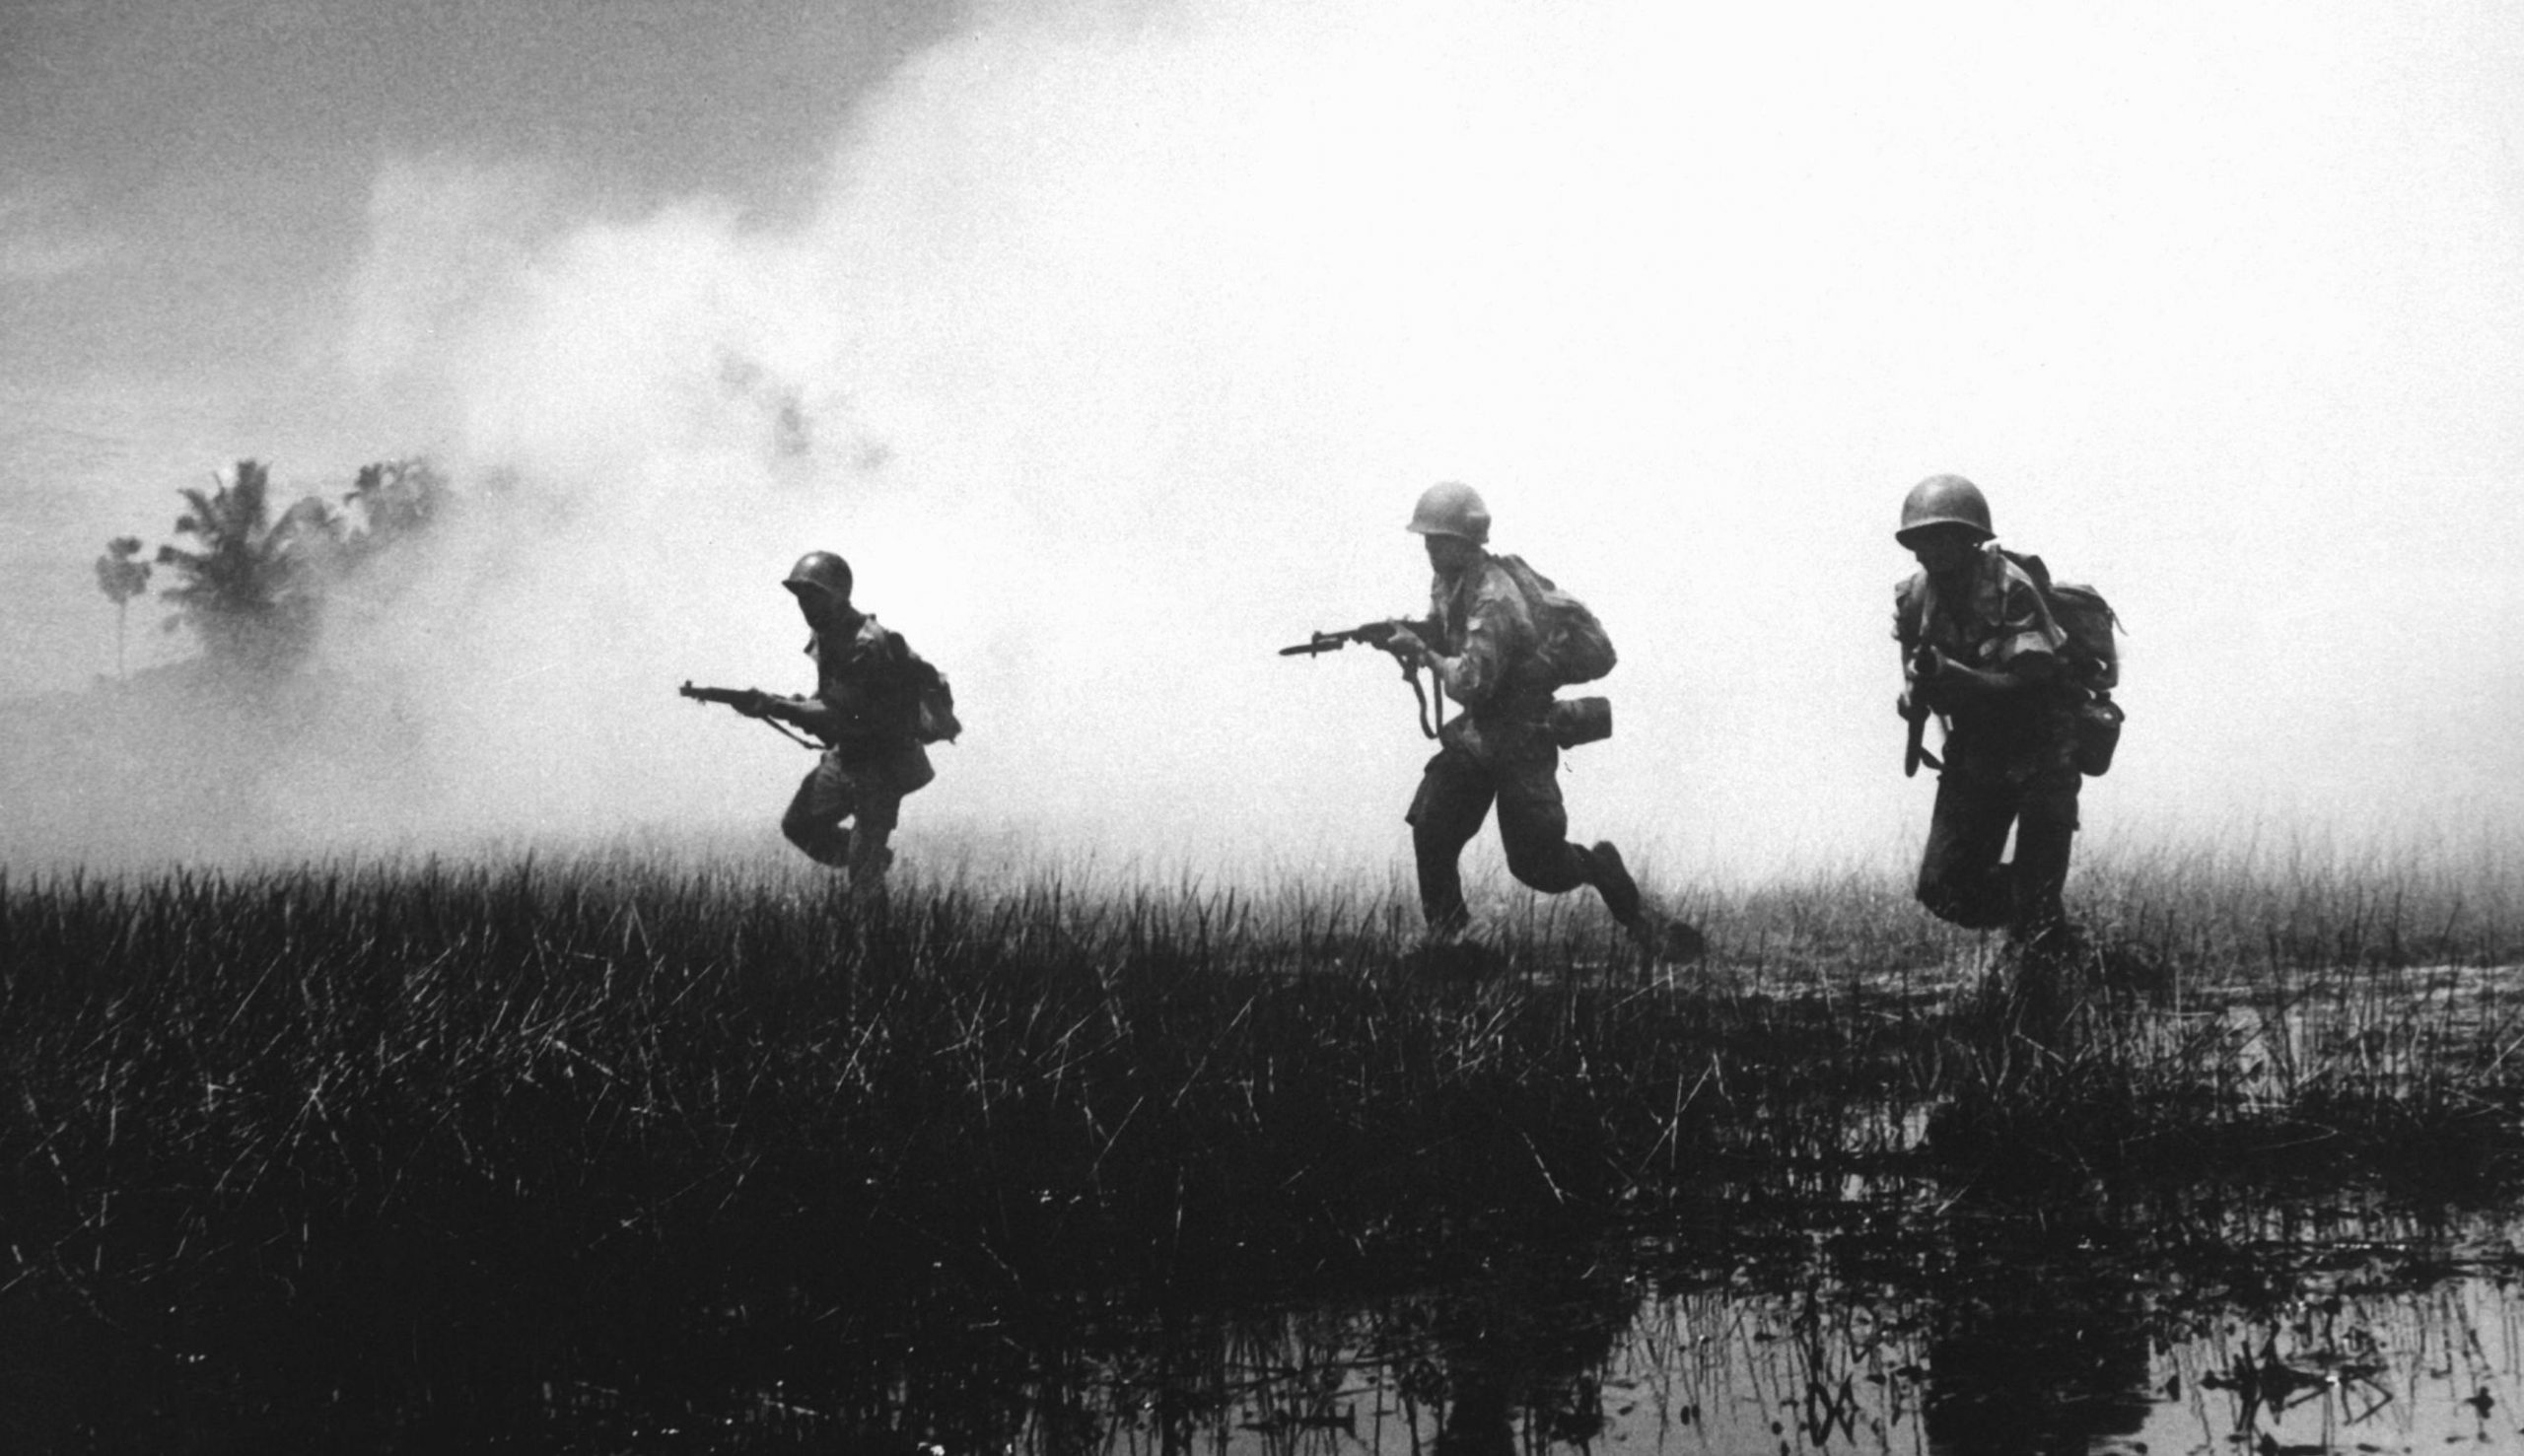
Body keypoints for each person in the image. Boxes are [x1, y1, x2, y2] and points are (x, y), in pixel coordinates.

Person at [1382, 482, 1683, 955]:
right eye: (1427, 540)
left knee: (1537, 867)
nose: (1428, 549)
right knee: (1433, 827)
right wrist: (1417, 634)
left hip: (1523, 741)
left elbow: (1471, 681)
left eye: (1437, 539)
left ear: (1464, 542)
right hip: (1479, 737)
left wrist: (1422, 652)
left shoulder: (1495, 598)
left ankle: (1602, 871)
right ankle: (1451, 941)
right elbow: (1448, 633)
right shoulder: (1449, 582)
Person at [1891, 474, 2086, 968]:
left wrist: (1965, 680)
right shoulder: (1914, 599)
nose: (1932, 550)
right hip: (1976, 753)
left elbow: (2037, 680)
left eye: (1945, 536)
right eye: (1923, 539)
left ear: (1971, 538)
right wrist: (1915, 696)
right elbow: (1914, 673)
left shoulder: (2010, 589)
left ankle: (2046, 941)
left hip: (2043, 750)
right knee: (1944, 890)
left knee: (2037, 911)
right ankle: (2047, 925)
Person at [736, 550, 943, 905]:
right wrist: (792, 703)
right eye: (801, 597)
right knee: (800, 825)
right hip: (847, 756)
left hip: (882, 765)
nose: (805, 606)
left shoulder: (866, 643)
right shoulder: (829, 635)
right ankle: (873, 860)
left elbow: (840, 714)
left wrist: (777, 706)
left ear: (839, 594)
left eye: (813, 596)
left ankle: (874, 933)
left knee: (863, 887)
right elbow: (834, 699)